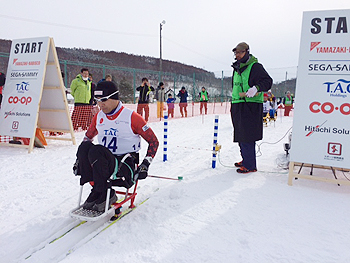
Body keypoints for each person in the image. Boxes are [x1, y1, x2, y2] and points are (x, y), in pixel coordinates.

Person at [75, 81, 159, 212]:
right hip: (103, 164)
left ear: (115, 98)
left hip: (125, 166)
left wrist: (145, 165)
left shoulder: (132, 117)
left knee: (97, 150)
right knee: (85, 147)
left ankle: (106, 194)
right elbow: (87, 138)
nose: (100, 104)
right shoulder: (98, 117)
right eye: (97, 100)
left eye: (104, 100)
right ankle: (98, 191)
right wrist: (79, 161)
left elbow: (154, 141)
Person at [231, 42, 272, 173]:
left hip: (251, 105)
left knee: (247, 135)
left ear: (247, 52)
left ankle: (250, 165)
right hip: (238, 103)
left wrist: (256, 88)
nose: (237, 55)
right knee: (240, 134)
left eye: (240, 52)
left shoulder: (255, 67)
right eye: (236, 52)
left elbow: (267, 81)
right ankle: (245, 159)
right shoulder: (237, 68)